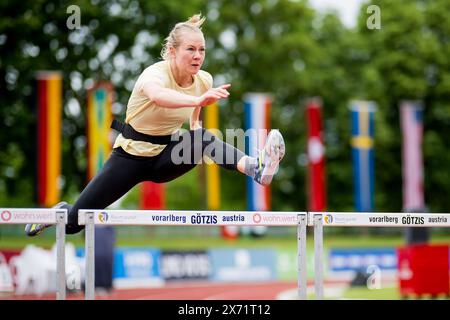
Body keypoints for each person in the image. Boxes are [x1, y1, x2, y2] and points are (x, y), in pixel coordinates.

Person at [25, 13, 285, 237]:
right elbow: (159, 97)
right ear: (173, 51)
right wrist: (197, 100)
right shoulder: (154, 73)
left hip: (166, 156)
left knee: (204, 138)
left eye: (202, 50)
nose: (197, 56)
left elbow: (195, 113)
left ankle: (256, 167)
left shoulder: (204, 80)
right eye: (190, 49)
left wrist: (196, 135)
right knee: (74, 224)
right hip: (129, 157)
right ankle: (61, 211)